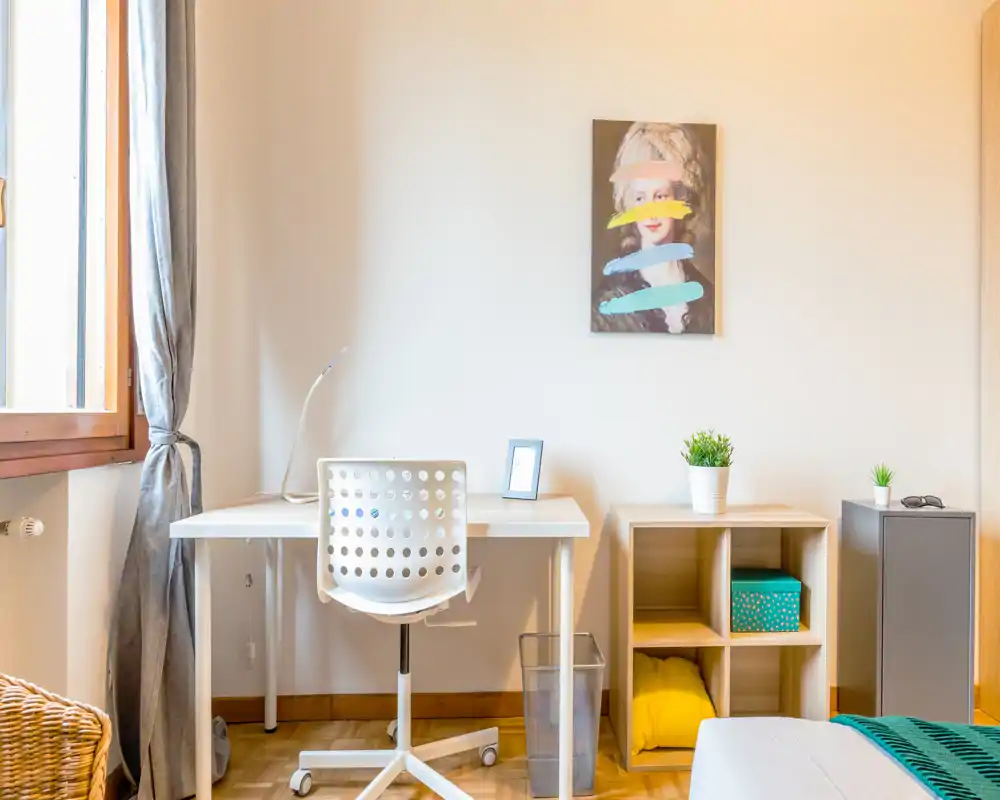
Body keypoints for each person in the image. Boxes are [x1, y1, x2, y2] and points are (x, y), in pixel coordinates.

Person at [592, 122, 715, 334]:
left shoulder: (706, 296)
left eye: (660, 196)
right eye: (640, 198)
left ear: (681, 199)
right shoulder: (610, 300)